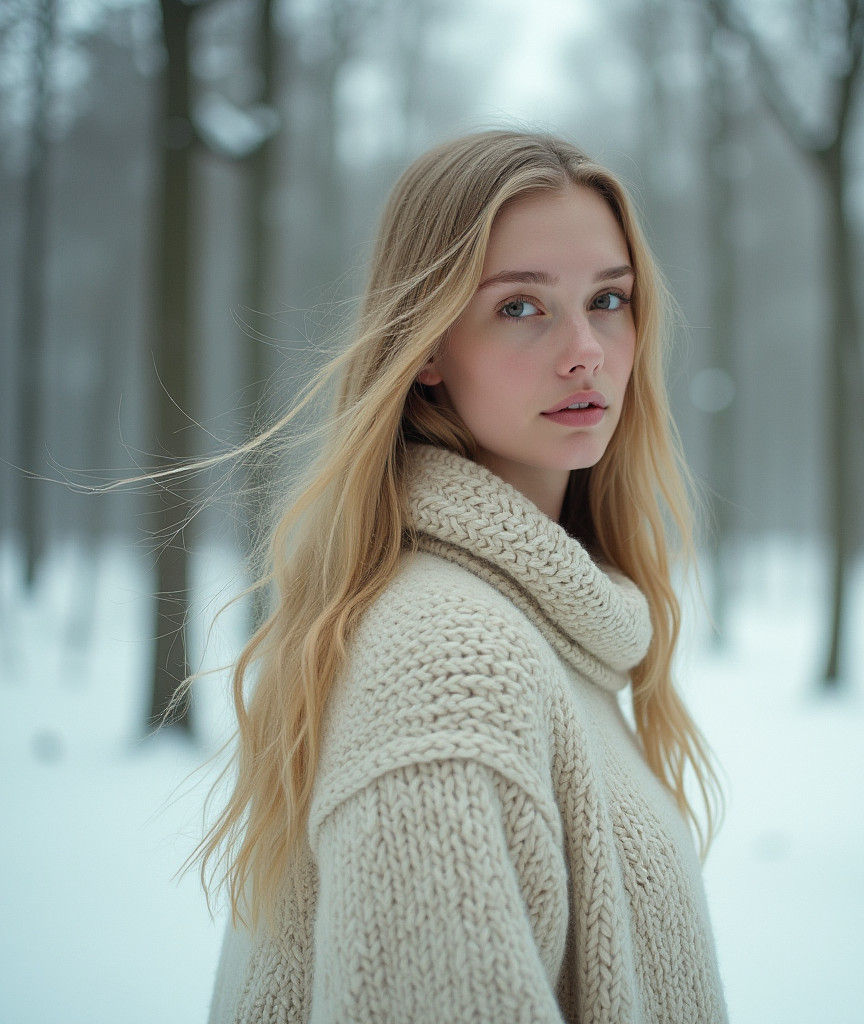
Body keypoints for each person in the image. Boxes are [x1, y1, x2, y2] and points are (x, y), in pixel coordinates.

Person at [198, 129, 728, 1023]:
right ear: (429, 345)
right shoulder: (450, 662)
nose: (586, 350)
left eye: (608, 299)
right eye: (521, 307)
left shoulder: (540, 624)